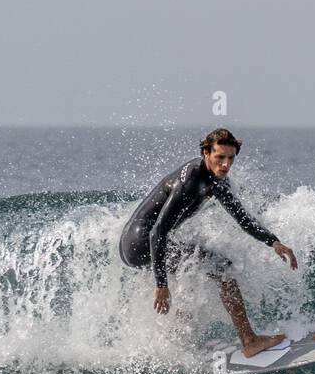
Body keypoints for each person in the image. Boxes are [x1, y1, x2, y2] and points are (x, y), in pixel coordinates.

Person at [119, 128, 297, 357]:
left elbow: (243, 220)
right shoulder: (190, 181)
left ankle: (176, 342)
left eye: (230, 158)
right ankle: (249, 341)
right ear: (205, 153)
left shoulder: (217, 181)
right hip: (140, 244)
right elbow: (157, 233)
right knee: (222, 267)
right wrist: (161, 284)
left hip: (133, 243)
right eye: (219, 157)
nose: (225, 165)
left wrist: (274, 242)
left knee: (194, 269)